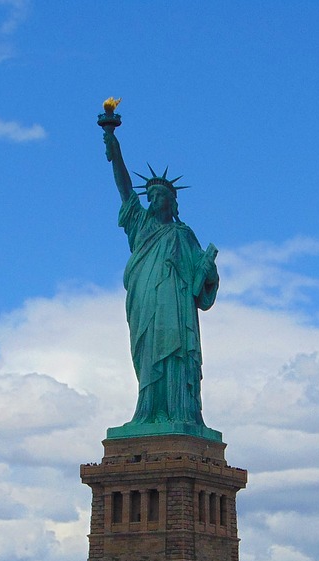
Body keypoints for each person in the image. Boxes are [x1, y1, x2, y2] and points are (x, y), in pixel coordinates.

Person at [102, 122, 219, 431]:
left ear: (171, 202)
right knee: (148, 352)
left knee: (177, 354)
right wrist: (115, 151)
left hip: (176, 307)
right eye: (150, 196)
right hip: (145, 301)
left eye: (159, 197)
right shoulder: (140, 226)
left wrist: (208, 272)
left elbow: (201, 282)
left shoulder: (183, 234)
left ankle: (181, 414)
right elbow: (125, 189)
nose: (153, 201)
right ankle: (148, 412)